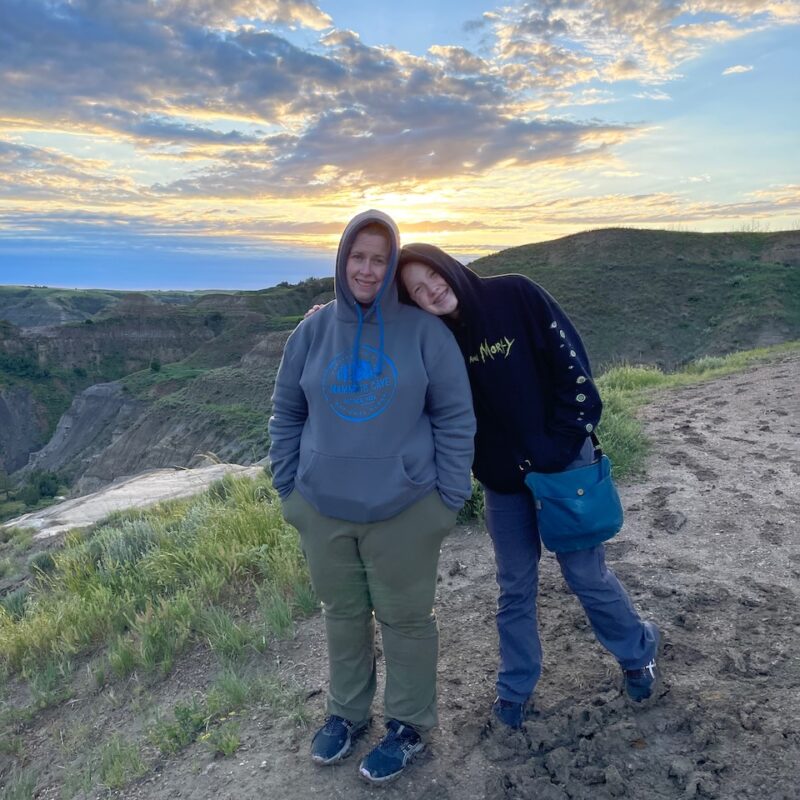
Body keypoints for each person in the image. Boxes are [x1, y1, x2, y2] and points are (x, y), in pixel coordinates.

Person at [397, 243, 661, 729]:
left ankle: (637, 650)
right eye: (416, 290)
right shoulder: (433, 341)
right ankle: (515, 687)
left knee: (585, 573)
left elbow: (573, 372)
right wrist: (330, 311)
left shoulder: (516, 295)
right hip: (503, 483)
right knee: (514, 586)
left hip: (562, 464)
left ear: (449, 267)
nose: (430, 290)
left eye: (432, 276)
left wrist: (561, 445)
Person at [268, 212, 476, 783]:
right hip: (322, 507)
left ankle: (407, 725)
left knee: (407, 620)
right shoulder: (310, 333)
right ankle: (347, 713)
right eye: (357, 256)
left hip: (405, 510)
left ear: (391, 266)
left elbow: (456, 418)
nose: (367, 268)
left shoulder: (424, 333)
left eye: (379, 259)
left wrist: (447, 499)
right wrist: (288, 490)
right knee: (343, 614)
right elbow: (286, 413)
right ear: (341, 261)